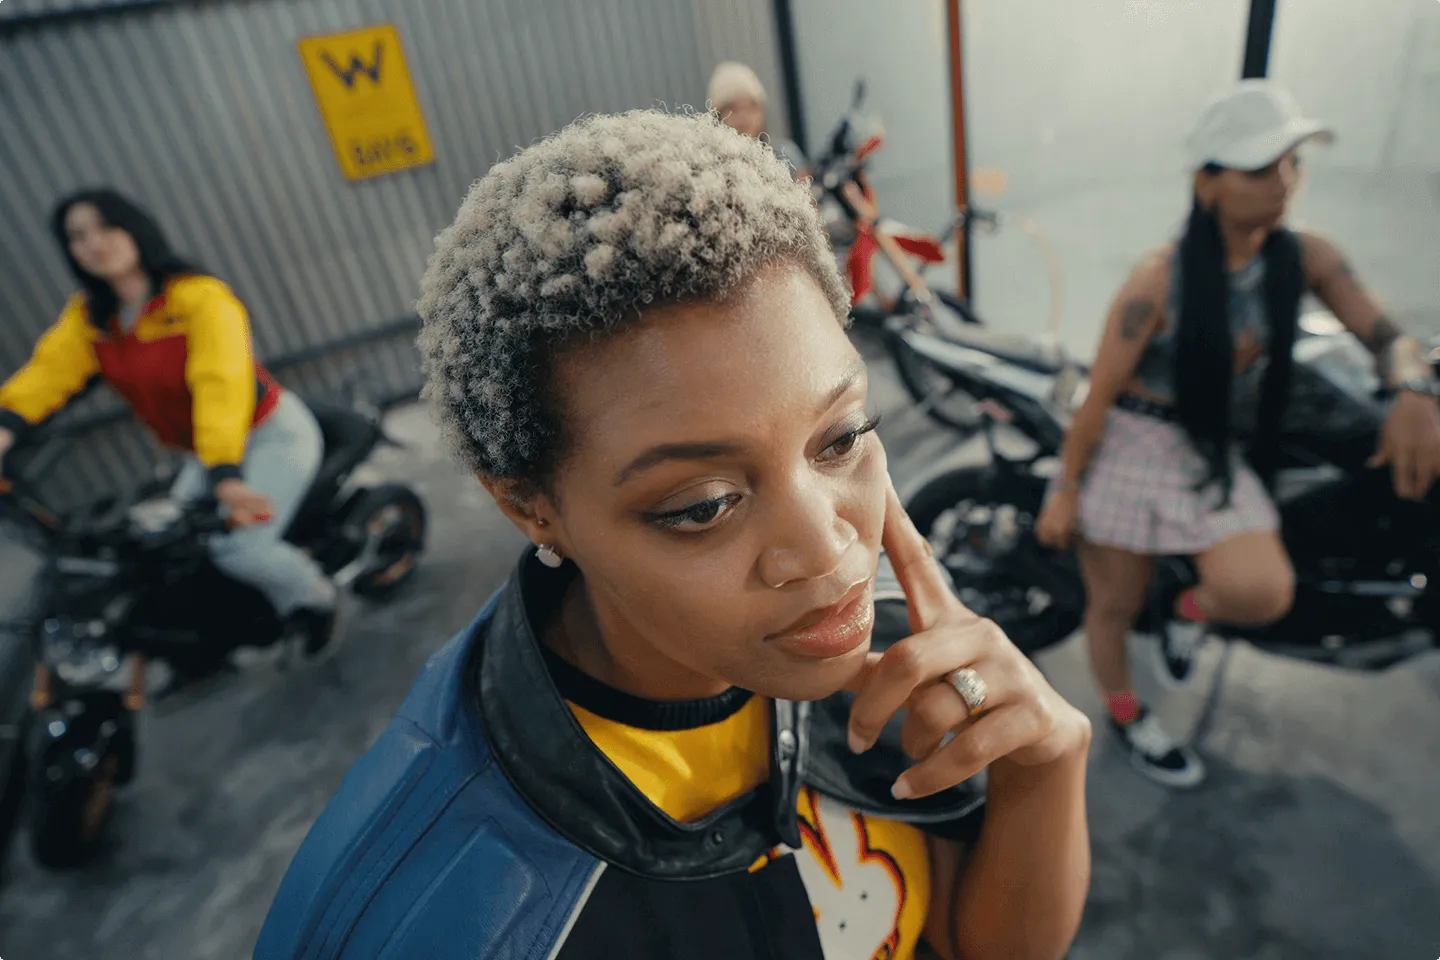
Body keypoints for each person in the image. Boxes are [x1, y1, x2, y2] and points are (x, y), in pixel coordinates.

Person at [255, 110, 1091, 960]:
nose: (831, 552)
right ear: (529, 507)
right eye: (702, 504)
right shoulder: (431, 911)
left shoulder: (899, 650)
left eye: (841, 439)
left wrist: (1044, 767)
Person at [1035, 81, 1440, 788]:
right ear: (1207, 183)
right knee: (1113, 606)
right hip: (1135, 439)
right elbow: (1098, 396)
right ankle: (1128, 715)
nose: (1283, 182)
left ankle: (1187, 609)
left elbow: (1386, 335)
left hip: (1211, 447)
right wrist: (1066, 490)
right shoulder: (1156, 281)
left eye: (1292, 163)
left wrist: (1412, 387)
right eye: (1261, 167)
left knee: (1262, 590)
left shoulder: (1304, 256)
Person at [0, 190, 345, 662]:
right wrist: (4, 429)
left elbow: (220, 385)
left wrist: (225, 477)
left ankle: (315, 599)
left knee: (240, 549)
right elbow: (47, 374)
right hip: (203, 453)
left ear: (134, 227)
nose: (94, 243)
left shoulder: (199, 298)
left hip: (266, 434)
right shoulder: (90, 318)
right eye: (77, 236)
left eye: (105, 227)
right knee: (169, 549)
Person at [708, 60, 809, 175]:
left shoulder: (785, 155)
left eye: (751, 107)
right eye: (733, 109)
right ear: (717, 116)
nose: (743, 117)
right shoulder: (710, 165)